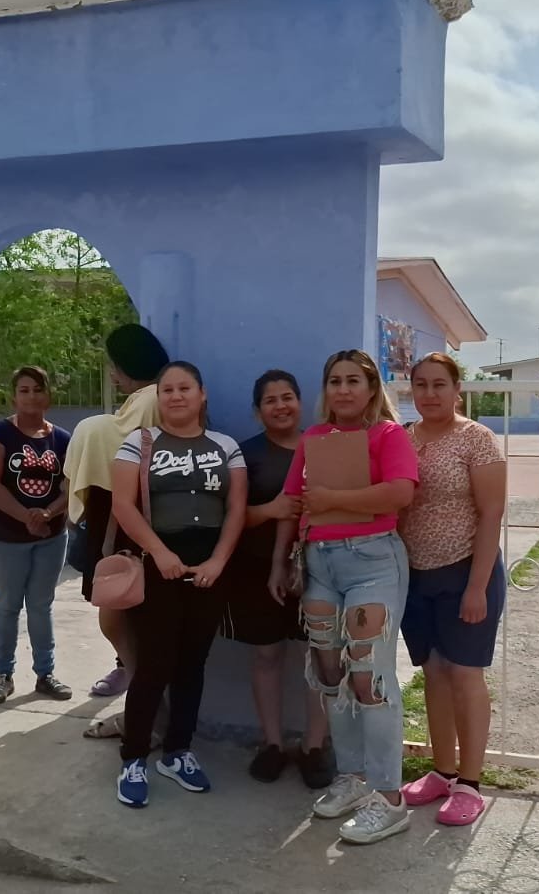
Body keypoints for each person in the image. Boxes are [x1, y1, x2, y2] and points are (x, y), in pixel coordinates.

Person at [271, 349, 419, 845]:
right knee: (330, 675)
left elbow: (400, 493)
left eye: (354, 380)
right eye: (334, 381)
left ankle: (389, 799)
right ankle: (352, 778)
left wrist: (334, 500)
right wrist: (279, 562)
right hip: (320, 564)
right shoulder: (313, 438)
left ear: (372, 388)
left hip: (372, 560)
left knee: (369, 677)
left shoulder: (388, 435)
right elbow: (293, 505)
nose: (343, 389)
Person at [110, 361, 248, 807]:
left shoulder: (225, 446)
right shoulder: (139, 443)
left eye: (184, 388)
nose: (175, 396)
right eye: (167, 389)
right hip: (158, 564)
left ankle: (177, 752)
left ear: (201, 394)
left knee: (193, 664)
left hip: (210, 568)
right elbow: (123, 505)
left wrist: (218, 561)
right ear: (158, 397)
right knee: (155, 663)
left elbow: (236, 508)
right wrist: (159, 552)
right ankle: (134, 757)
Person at [396, 353, 506, 826]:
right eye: (421, 385)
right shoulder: (402, 438)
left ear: (457, 389)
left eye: (439, 384)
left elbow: (492, 513)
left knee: (464, 675)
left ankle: (470, 783)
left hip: (465, 572)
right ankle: (442, 772)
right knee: (434, 674)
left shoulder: (476, 439)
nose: (429, 394)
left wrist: (477, 587)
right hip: (416, 576)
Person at [224, 370, 332, 788]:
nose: (281, 406)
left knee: (319, 657)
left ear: (300, 402)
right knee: (267, 656)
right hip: (256, 571)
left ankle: (314, 746)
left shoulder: (321, 446)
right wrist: (271, 510)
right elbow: (230, 518)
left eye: (288, 397)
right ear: (258, 411)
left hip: (320, 569)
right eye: (270, 400)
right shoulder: (245, 454)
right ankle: (271, 743)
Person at [63, 324, 168, 703]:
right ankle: (131, 675)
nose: (111, 373)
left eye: (113, 364)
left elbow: (125, 441)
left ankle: (138, 684)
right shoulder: (145, 398)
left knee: (120, 605)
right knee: (117, 603)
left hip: (129, 515)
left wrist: (91, 431)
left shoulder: (151, 398)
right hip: (115, 514)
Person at [0, 367, 73, 704]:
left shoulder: (63, 439)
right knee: (7, 605)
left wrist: (48, 513)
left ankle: (45, 674)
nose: (31, 396)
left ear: (48, 396)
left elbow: (73, 485)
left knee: (40, 606)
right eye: (24, 390)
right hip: (6, 539)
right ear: (13, 397)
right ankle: (3, 675)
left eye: (38, 389)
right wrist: (26, 517)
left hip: (51, 537)